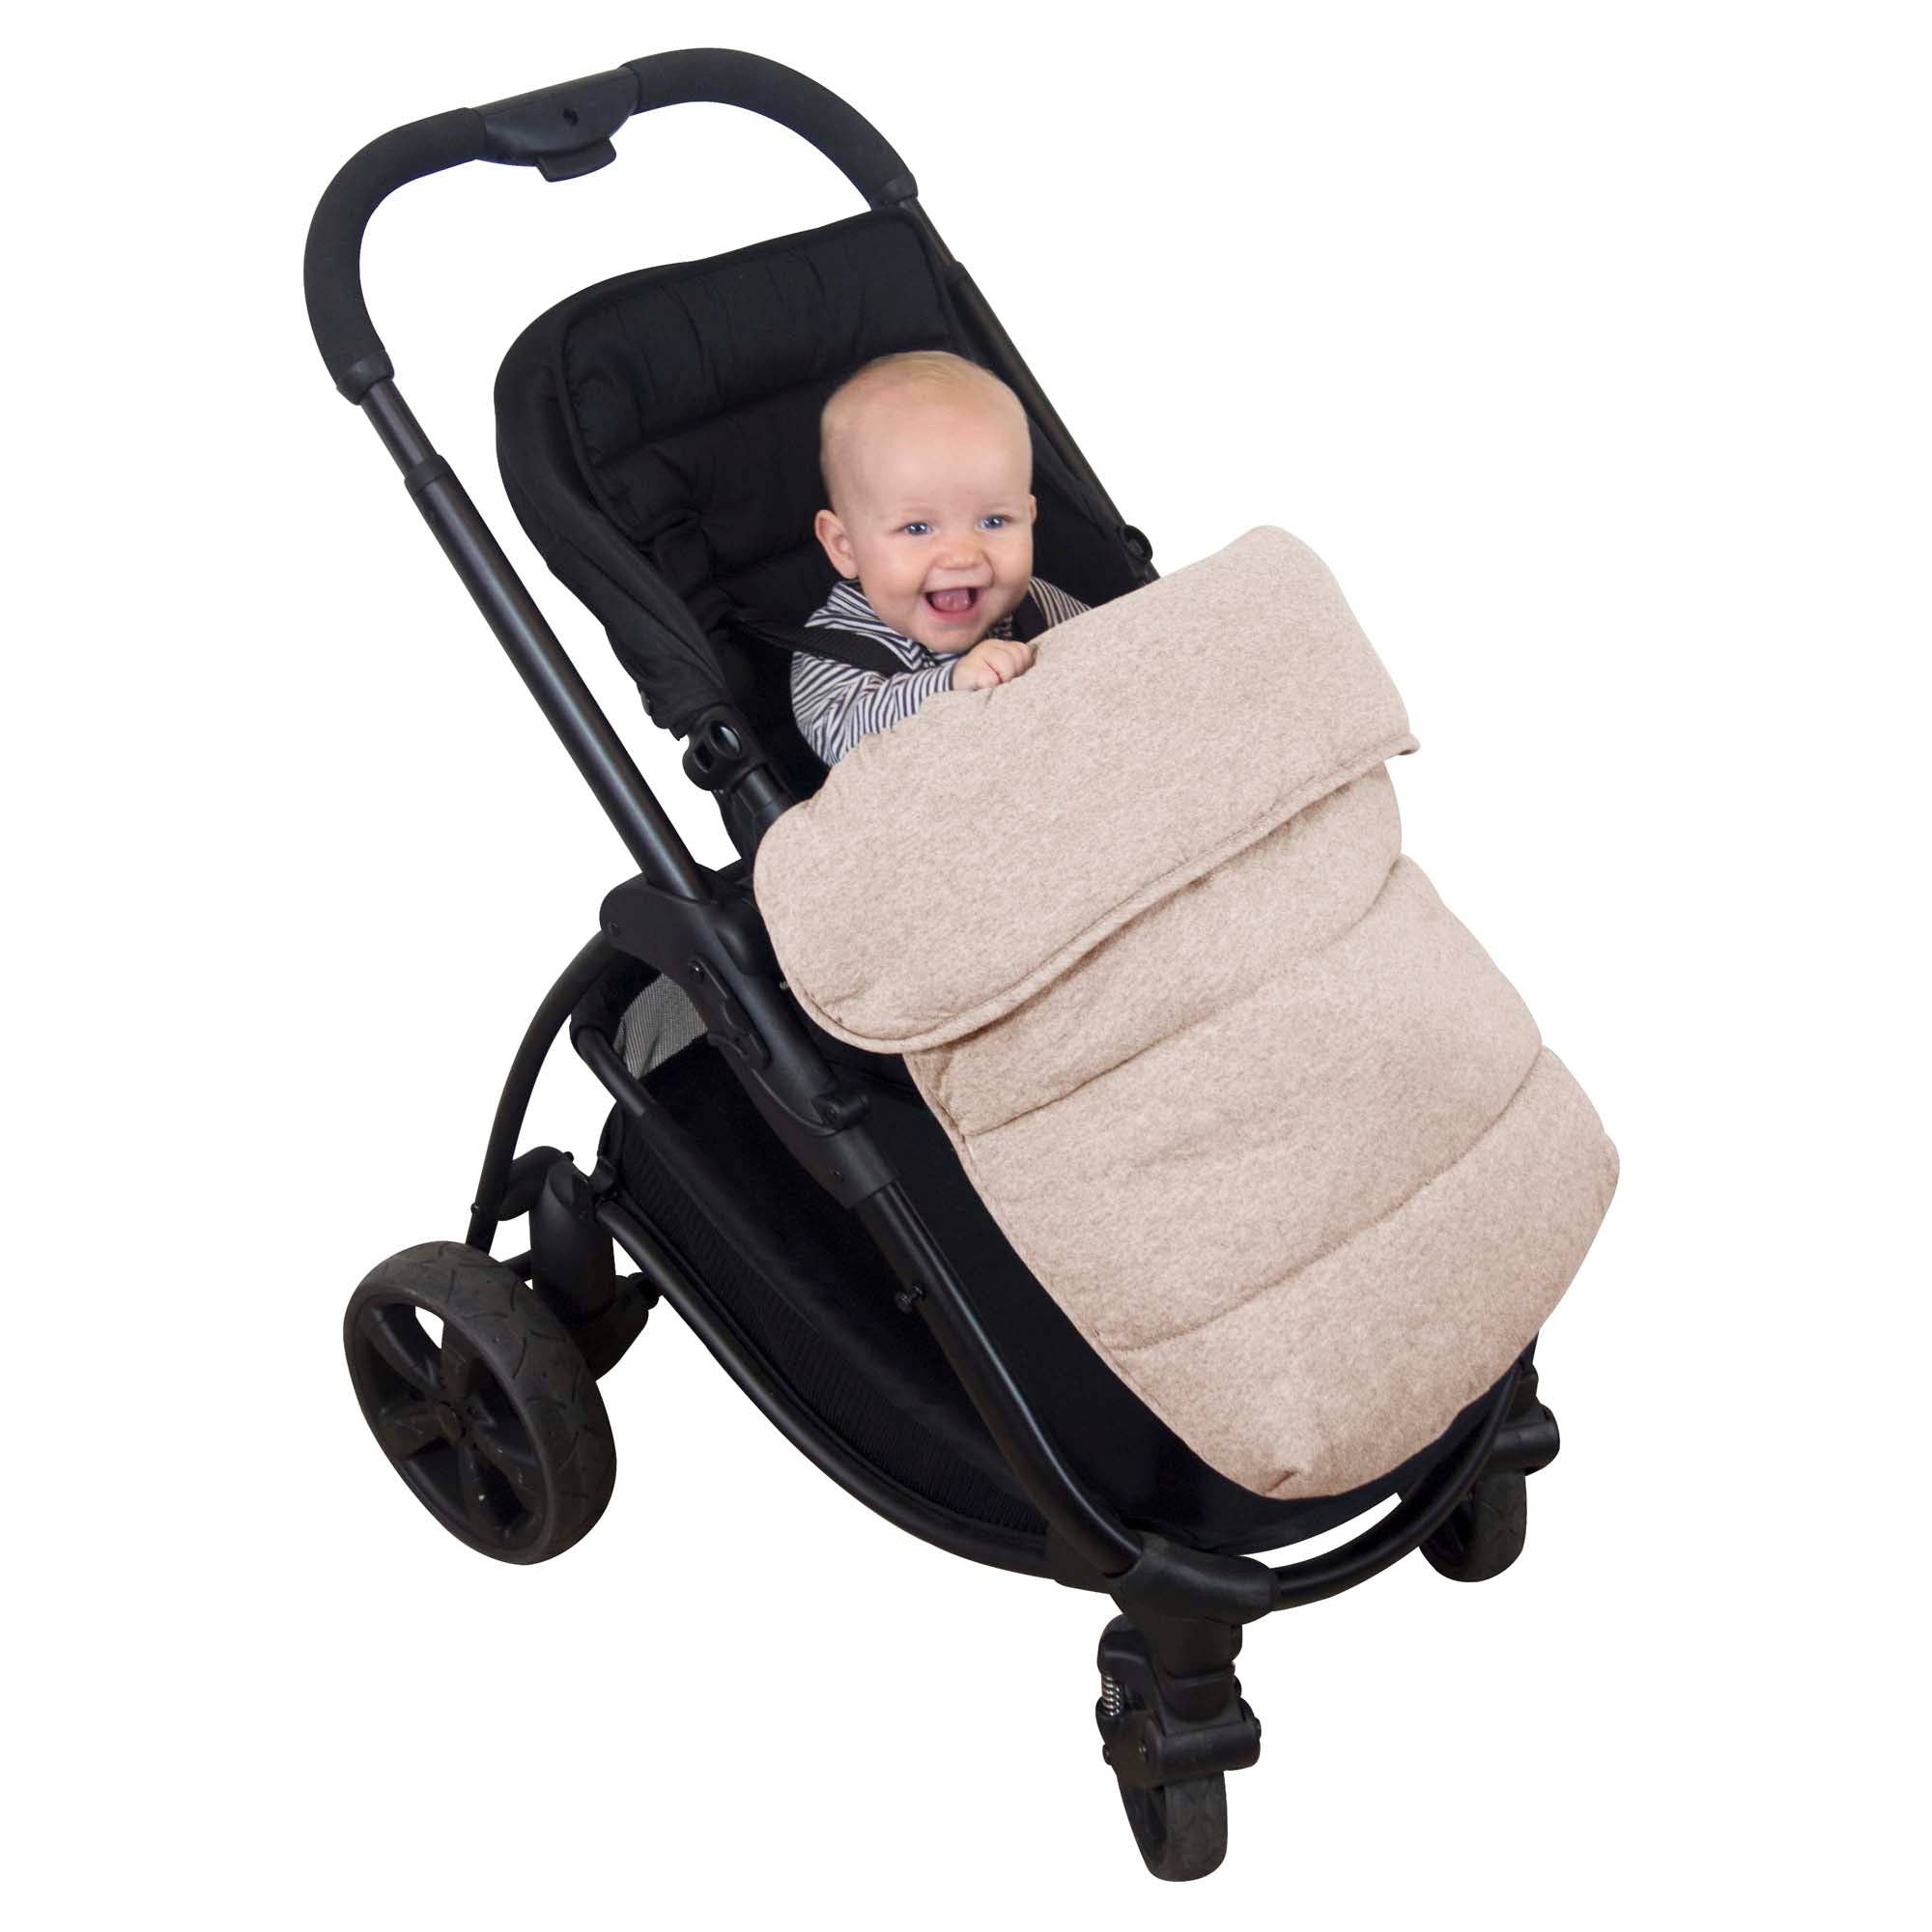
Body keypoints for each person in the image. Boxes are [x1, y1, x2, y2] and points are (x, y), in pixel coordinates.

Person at [792, 350, 1090, 766]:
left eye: (993, 521)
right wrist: (951, 686)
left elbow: (1105, 653)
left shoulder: (1034, 604)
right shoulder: (836, 648)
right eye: (917, 528)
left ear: (1029, 518)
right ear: (846, 547)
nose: (961, 556)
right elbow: (846, 744)